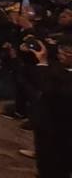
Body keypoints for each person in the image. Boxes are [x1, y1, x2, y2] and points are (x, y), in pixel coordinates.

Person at [26, 34, 72, 178]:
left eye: (68, 52)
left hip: (60, 128)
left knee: (55, 164)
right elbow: (35, 78)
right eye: (61, 49)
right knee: (44, 158)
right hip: (46, 122)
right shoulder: (59, 66)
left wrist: (43, 63)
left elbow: (51, 90)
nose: (62, 53)